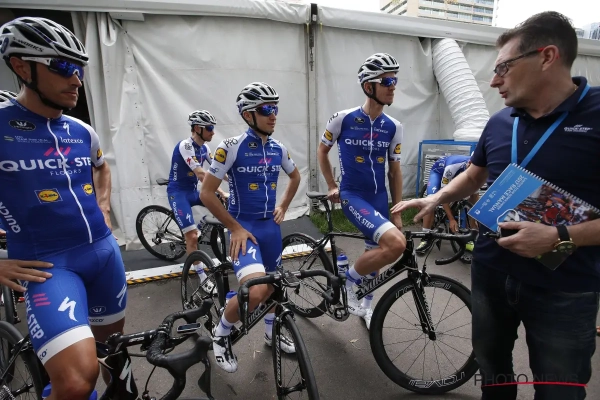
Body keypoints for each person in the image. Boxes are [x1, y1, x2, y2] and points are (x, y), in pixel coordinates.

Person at [393, 11, 600, 400]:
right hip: (490, 272)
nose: (493, 80)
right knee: (493, 373)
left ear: (547, 56)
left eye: (503, 67)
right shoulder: (501, 121)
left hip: (565, 289)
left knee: (559, 389)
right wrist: (436, 197)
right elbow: (474, 175)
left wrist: (559, 236)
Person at [0, 17, 127, 399]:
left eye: (80, 69)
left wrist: (103, 207)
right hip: (48, 267)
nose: (77, 80)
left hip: (104, 255)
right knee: (75, 381)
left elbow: (101, 167)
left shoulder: (81, 130)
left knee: (115, 359)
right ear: (22, 66)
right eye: (63, 67)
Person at [200, 82, 301, 373]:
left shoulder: (279, 148)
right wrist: (234, 228)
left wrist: (283, 206)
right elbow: (207, 193)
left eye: (275, 108)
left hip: (270, 229)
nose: (273, 115)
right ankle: (221, 333)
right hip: (243, 229)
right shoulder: (231, 147)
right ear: (248, 115)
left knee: (274, 288)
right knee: (256, 291)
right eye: (266, 109)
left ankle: (271, 333)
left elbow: (295, 178)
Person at [317, 53, 406, 328]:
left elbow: (394, 171)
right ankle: (348, 282)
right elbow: (322, 151)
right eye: (387, 81)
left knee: (377, 255)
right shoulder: (342, 119)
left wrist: (397, 210)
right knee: (393, 245)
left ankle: (366, 307)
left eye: (395, 81)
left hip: (378, 198)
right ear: (369, 86)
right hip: (353, 195)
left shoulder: (394, 127)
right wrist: (332, 185)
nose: (393, 87)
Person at [167, 109, 228, 293]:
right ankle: (202, 278)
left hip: (192, 191)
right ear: (197, 128)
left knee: (222, 204)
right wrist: (221, 191)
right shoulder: (185, 145)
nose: (213, 132)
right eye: (209, 128)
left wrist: (234, 180)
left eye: (212, 128)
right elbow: (202, 174)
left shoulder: (205, 148)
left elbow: (216, 170)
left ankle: (201, 226)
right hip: (178, 193)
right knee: (192, 237)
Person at [415, 153, 478, 255]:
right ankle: (425, 237)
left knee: (473, 196)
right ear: (469, 164)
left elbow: (475, 198)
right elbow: (443, 196)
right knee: (432, 201)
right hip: (439, 171)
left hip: (457, 174)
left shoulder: (478, 170)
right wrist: (451, 219)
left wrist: (475, 221)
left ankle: (469, 235)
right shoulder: (452, 167)